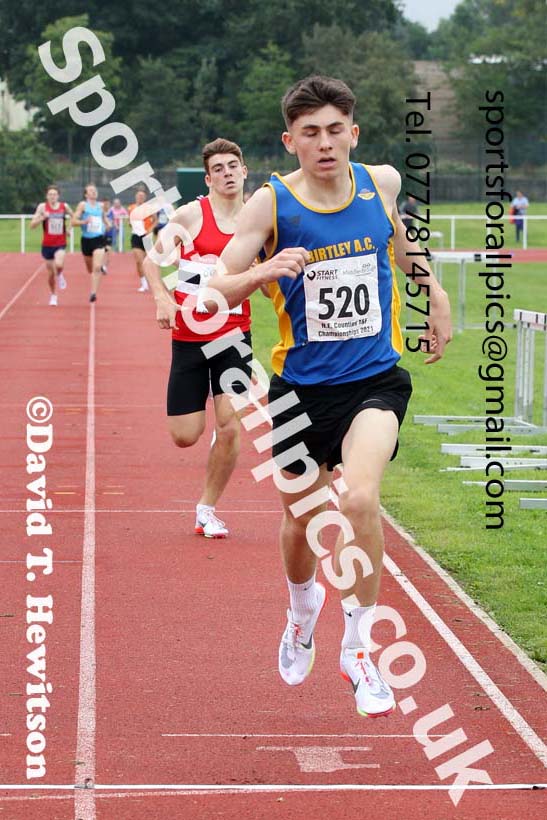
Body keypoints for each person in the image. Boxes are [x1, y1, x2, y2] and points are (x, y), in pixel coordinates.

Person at [208, 76, 452, 717]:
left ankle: (360, 648)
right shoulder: (271, 204)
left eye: (334, 129)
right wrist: (265, 269)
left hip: (374, 380)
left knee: (362, 497)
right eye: (309, 133)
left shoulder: (382, 183)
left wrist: (438, 293)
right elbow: (216, 287)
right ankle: (301, 610)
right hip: (298, 392)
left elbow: (398, 242)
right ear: (290, 141)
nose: (324, 142)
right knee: (301, 524)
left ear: (354, 133)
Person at [144, 138, 252, 538]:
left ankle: (207, 509)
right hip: (188, 338)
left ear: (244, 172)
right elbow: (151, 262)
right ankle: (209, 441)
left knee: (229, 426)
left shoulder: (257, 222)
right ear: (207, 178)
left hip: (234, 337)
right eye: (219, 168)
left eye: (233, 166)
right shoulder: (191, 216)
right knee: (185, 436)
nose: (227, 173)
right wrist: (161, 298)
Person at [30, 185, 73, 306]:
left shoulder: (64, 206)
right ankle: (53, 295)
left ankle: (60, 274)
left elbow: (74, 216)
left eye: (54, 194)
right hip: (47, 244)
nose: (52, 196)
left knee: (59, 264)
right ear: (47, 196)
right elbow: (32, 225)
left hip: (60, 242)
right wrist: (42, 217)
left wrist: (69, 228)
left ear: (58, 196)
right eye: (50, 194)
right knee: (50, 274)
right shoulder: (42, 207)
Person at [71, 184, 110, 303]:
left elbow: (104, 219)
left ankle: (93, 293)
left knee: (97, 267)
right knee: (90, 269)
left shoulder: (101, 206)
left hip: (99, 239)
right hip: (86, 240)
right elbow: (73, 221)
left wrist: (108, 224)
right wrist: (84, 221)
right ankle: (96, 274)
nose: (94, 192)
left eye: (95, 190)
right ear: (86, 194)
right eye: (91, 191)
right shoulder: (83, 205)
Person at [128, 190, 157, 292]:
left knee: (149, 262)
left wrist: (151, 229)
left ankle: (154, 282)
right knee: (139, 261)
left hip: (147, 237)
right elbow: (130, 221)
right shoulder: (131, 208)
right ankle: (144, 284)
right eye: (138, 195)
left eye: (142, 196)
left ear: (145, 198)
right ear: (136, 197)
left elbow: (155, 220)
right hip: (136, 236)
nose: (140, 197)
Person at [102, 199, 114, 274]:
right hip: (100, 234)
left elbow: (111, 223)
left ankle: (104, 266)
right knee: (101, 250)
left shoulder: (111, 212)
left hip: (109, 234)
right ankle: (101, 264)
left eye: (108, 204)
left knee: (108, 250)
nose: (106, 205)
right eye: (105, 204)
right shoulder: (99, 212)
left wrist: (108, 227)